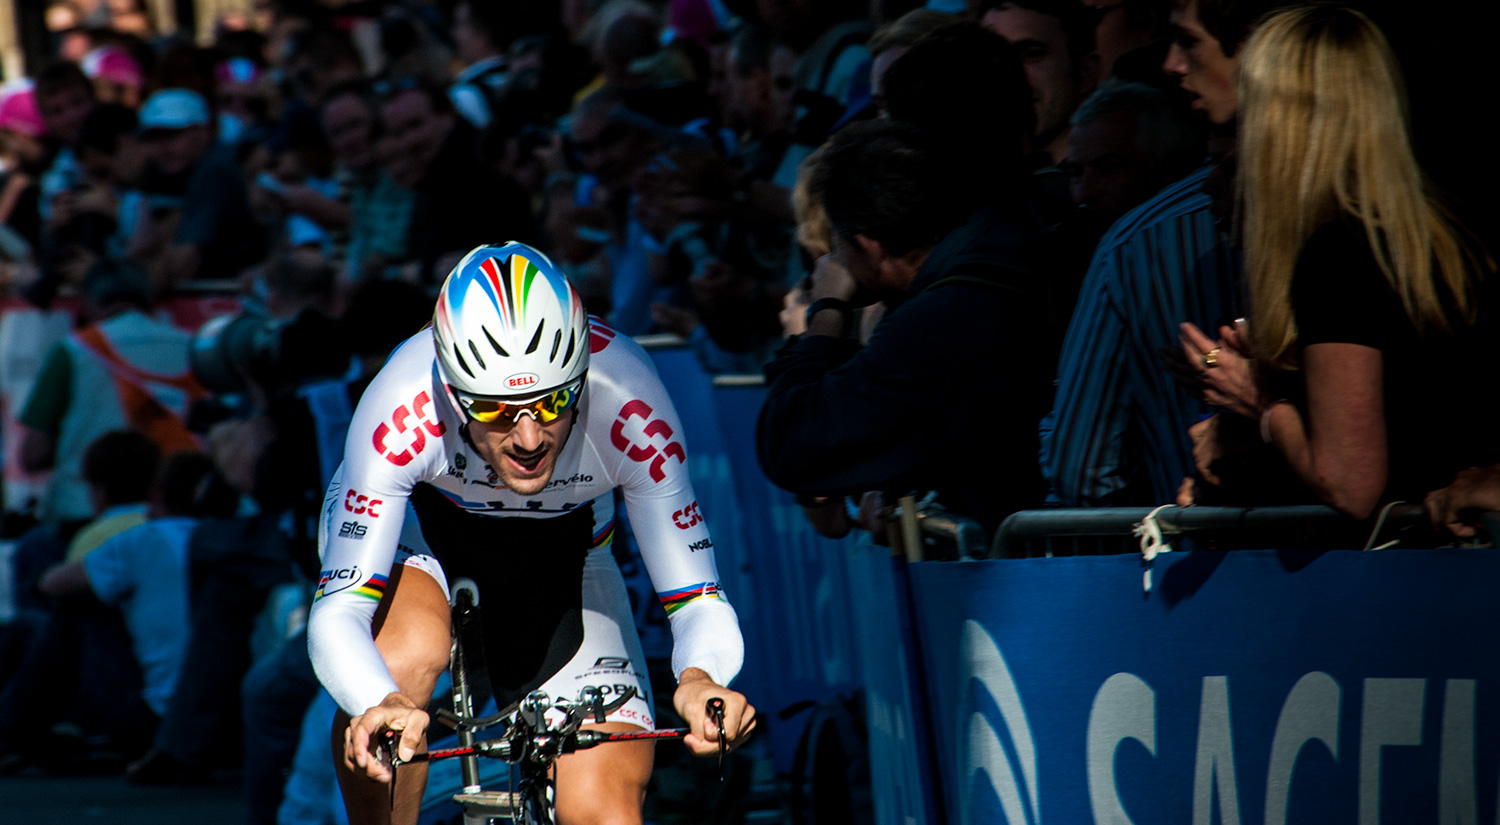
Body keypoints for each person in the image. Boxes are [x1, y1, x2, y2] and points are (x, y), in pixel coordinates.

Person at [306, 243, 755, 825]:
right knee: (406, 659)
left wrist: (700, 679)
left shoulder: (631, 401)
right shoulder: (400, 405)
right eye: (494, 409)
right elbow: (339, 613)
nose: (528, 438)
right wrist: (380, 702)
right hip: (423, 537)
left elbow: (697, 598)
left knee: (605, 815)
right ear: (452, 394)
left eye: (554, 402)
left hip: (562, 553)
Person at [1180, 5, 1499, 518]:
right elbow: (1411, 416)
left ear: (1281, 122)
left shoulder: (1338, 257)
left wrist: (1260, 402)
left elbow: (1350, 484)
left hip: (1409, 556)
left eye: (1252, 110)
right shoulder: (1444, 234)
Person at [1041, 0, 1287, 507]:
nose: (1211, 191)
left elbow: (1348, 470)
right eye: (1074, 172)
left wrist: (1258, 405)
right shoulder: (1121, 248)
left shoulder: (1136, 243)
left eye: (1109, 166)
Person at [756, 119, 1053, 536]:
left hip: (1028, 566)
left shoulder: (938, 321)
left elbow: (794, 446)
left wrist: (825, 313)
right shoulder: (1014, 241)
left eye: (838, 246)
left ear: (869, 246)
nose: (832, 262)